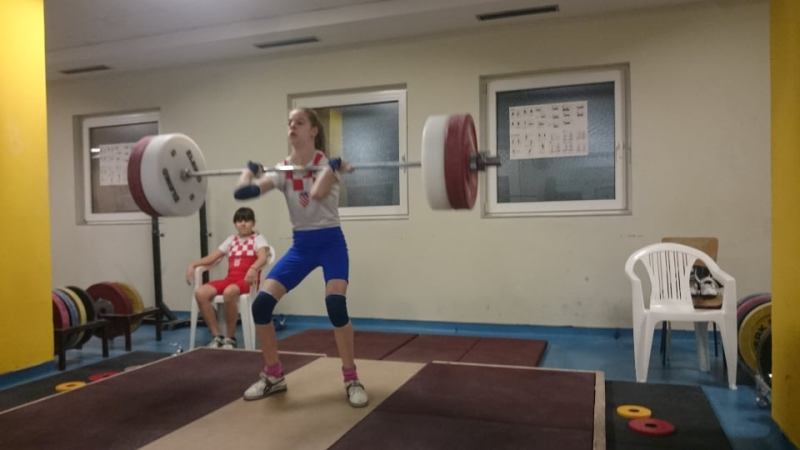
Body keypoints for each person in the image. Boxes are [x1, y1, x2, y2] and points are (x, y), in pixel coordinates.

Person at [233, 107, 368, 408]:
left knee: (335, 305)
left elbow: (317, 194)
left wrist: (331, 169)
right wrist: (249, 172)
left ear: (313, 130)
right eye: (290, 123)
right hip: (302, 246)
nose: (292, 126)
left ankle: (351, 378)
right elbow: (242, 194)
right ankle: (273, 375)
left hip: (331, 243)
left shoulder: (328, 164)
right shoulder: (282, 169)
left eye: (300, 122)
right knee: (261, 306)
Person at [186, 207, 271, 349]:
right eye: (239, 221)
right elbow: (212, 258)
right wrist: (193, 264)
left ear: (253, 223)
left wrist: (253, 268)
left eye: (247, 220)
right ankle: (217, 336)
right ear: (235, 223)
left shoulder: (258, 238)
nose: (243, 224)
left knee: (229, 292)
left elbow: (263, 258)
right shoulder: (231, 240)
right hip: (230, 279)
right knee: (200, 293)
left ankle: (230, 338)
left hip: (247, 281)